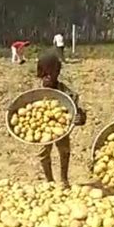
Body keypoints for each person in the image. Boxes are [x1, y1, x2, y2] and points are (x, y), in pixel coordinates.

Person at [36, 52, 86, 187]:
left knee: (64, 151)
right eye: (43, 74)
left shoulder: (66, 92)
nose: (47, 77)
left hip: (61, 128)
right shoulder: (36, 93)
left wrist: (80, 118)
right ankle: (50, 181)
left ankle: (64, 179)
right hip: (41, 128)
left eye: (50, 74)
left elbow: (76, 110)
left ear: (57, 73)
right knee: (43, 153)